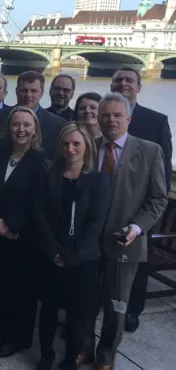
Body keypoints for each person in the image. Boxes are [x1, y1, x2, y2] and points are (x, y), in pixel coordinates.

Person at [93, 93, 167, 370]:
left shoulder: (149, 151)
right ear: (98, 118)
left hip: (126, 243)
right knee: (85, 301)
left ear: (128, 119)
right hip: (89, 242)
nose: (111, 120)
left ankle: (106, 356)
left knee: (117, 306)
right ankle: (83, 347)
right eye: (105, 115)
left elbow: (158, 198)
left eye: (117, 115)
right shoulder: (89, 147)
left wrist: (136, 227)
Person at [35, 122, 109, 370]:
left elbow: (96, 222)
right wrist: (54, 251)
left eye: (76, 143)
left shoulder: (98, 180)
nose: (71, 148)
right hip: (51, 255)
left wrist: (72, 255)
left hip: (83, 260)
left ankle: (70, 360)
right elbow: (40, 215)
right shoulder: (49, 175)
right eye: (66, 143)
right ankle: (46, 356)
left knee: (78, 316)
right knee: (48, 309)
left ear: (86, 146)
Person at [110, 67, 173, 332]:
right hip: (108, 199)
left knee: (138, 262)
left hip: (140, 205)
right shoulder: (104, 113)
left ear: (139, 87)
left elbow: (164, 169)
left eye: (129, 80)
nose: (123, 84)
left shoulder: (156, 120)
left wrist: (149, 214)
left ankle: (132, 311)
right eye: (119, 80)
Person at [0, 106, 47, 359]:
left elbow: (38, 202)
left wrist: (9, 225)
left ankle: (18, 339)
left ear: (35, 130)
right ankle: (2, 331)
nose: (20, 129)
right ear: (8, 128)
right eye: (15, 124)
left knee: (21, 291)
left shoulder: (42, 161)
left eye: (26, 125)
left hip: (23, 238)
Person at [0, 71, 65, 160]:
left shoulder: (57, 124)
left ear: (42, 93)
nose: (28, 95)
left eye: (33, 91)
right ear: (17, 91)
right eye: (24, 90)